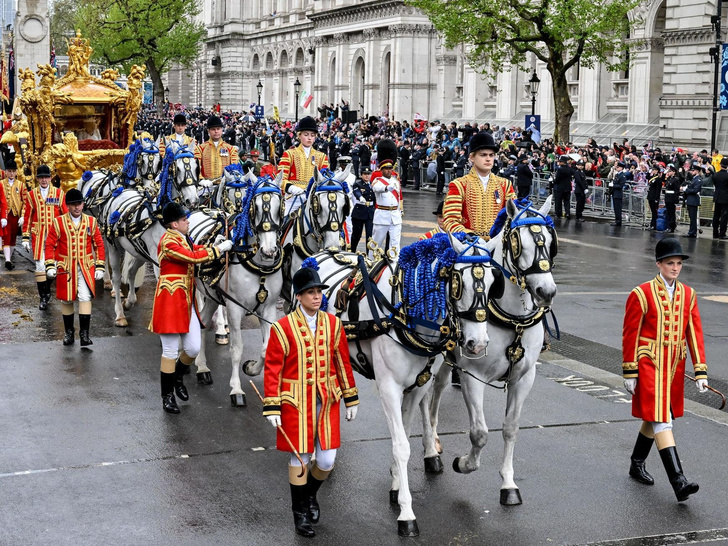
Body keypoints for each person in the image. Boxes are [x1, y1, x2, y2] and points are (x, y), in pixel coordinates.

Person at [263, 267, 359, 538]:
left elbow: (342, 363)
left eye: (318, 292)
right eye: (310, 293)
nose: (316, 297)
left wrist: (350, 397)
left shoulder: (333, 324)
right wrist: (272, 404)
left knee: (327, 460)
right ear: (299, 296)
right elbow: (273, 369)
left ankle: (308, 496)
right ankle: (300, 515)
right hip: (295, 401)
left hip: (327, 399)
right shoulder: (282, 328)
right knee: (300, 456)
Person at [622, 238, 708, 503]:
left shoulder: (688, 295)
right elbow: (630, 334)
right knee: (662, 418)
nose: (675, 268)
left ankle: (637, 463)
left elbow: (694, 334)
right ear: (659, 264)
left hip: (674, 366)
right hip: (649, 364)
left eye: (678, 263)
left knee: (656, 414)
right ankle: (678, 480)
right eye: (670, 263)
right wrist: (630, 370)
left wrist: (701, 370)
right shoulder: (642, 293)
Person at [149, 202, 233, 414]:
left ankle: (177, 376)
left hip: (186, 301)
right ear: (174, 224)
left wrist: (216, 244)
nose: (188, 222)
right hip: (169, 300)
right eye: (185, 220)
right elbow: (192, 257)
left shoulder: (183, 238)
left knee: (194, 348)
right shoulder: (168, 241)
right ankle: (166, 396)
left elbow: (196, 249)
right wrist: (218, 251)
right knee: (169, 351)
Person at [44, 189, 105, 346]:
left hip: (85, 266)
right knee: (67, 299)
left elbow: (98, 244)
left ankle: (84, 334)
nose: (77, 207)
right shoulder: (58, 222)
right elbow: (50, 244)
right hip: (66, 267)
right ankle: (68, 333)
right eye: (73, 205)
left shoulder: (91, 221)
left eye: (79, 204)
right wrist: (50, 264)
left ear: (83, 204)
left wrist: (100, 266)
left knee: (85, 297)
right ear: (68, 206)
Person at [443, 132, 516, 238]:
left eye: (491, 155)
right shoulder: (459, 185)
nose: (488, 159)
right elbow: (450, 220)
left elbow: (514, 216)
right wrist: (468, 236)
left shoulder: (505, 184)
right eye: (483, 155)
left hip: (498, 245)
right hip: (468, 246)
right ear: (472, 157)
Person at [22, 165, 68, 310]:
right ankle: (43, 296)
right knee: (40, 267)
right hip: (38, 235)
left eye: (46, 177)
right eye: (41, 177)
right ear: (37, 179)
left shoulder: (59, 194)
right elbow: (28, 216)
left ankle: (46, 289)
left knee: (53, 269)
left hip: (55, 236)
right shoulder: (31, 195)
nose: (44, 180)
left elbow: (65, 215)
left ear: (50, 178)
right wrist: (25, 237)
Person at [278, 116, 329, 218]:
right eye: (306, 135)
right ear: (299, 136)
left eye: (312, 135)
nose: (309, 138)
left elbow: (325, 179)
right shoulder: (289, 154)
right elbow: (280, 179)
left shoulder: (322, 156)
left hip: (314, 198)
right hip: (293, 198)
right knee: (282, 222)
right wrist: (292, 188)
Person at [371, 139, 403, 255]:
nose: (389, 171)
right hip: (382, 215)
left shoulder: (395, 180)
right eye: (386, 169)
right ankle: (371, 262)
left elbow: (399, 196)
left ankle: (394, 264)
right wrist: (385, 188)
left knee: (395, 243)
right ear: (382, 169)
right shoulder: (377, 179)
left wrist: (401, 209)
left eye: (390, 168)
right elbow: (375, 188)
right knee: (376, 242)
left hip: (395, 215)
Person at [194, 115, 239, 180]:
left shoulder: (231, 149)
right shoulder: (200, 149)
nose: (216, 131)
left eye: (218, 129)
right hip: (206, 185)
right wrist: (201, 180)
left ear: (221, 130)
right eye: (213, 129)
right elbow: (196, 167)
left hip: (225, 184)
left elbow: (235, 168)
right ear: (208, 131)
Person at [1, 161, 25, 269]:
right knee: (6, 235)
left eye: (13, 171)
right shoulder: (1, 184)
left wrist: (23, 215)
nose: (11, 173)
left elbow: (25, 201)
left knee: (13, 237)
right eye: (9, 171)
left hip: (16, 215)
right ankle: (7, 259)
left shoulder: (21, 185)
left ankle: (9, 259)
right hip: (4, 215)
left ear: (16, 172)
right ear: (5, 172)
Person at [350, 167, 375, 253]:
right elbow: (356, 192)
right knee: (357, 234)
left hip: (370, 212)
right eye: (365, 174)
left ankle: (370, 254)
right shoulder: (358, 184)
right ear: (361, 175)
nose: (367, 176)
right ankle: (352, 250)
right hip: (359, 211)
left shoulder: (373, 184)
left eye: (368, 174)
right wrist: (360, 197)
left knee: (370, 235)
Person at [682, 162, 702, 238]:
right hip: (691, 200)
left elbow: (695, 190)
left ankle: (692, 232)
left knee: (693, 217)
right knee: (691, 217)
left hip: (693, 200)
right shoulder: (694, 179)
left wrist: (686, 189)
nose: (692, 172)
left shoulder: (698, 180)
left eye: (693, 171)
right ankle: (691, 231)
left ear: (697, 171)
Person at [609, 161, 631, 227]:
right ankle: (617, 220)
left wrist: (613, 185)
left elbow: (621, 186)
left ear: (621, 168)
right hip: (615, 193)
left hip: (618, 194)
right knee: (616, 208)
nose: (617, 168)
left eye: (618, 167)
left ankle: (618, 221)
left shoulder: (622, 176)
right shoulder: (617, 175)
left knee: (618, 209)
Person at [711, 157, 728, 239]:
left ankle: (715, 233)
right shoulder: (727, 176)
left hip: (717, 196)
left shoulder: (716, 175)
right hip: (725, 198)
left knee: (716, 215)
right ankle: (722, 233)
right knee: (724, 216)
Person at [663, 165, 681, 233]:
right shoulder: (669, 179)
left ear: (673, 172)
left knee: (672, 213)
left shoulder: (676, 180)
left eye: (670, 171)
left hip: (672, 198)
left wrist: (675, 199)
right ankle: (668, 226)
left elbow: (677, 190)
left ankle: (672, 227)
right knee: (668, 213)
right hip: (668, 197)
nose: (669, 172)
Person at [646, 165, 663, 231]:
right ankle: (652, 224)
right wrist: (649, 172)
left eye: (654, 170)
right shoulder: (653, 177)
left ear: (657, 171)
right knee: (652, 211)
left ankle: (654, 225)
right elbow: (647, 177)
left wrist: (656, 198)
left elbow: (658, 190)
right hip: (650, 196)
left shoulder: (658, 179)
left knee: (654, 212)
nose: (652, 171)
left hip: (654, 197)